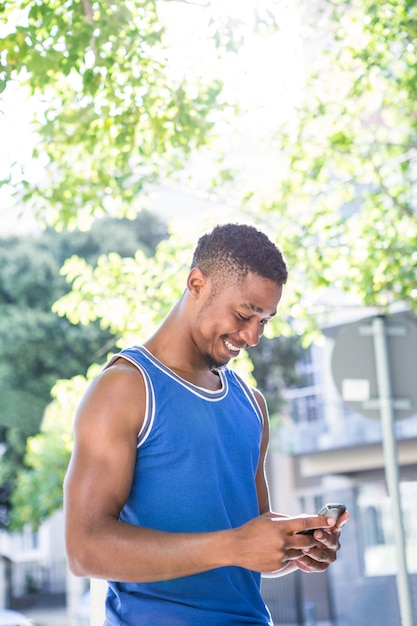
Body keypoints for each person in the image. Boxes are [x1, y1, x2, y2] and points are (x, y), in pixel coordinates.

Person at [64, 223, 349, 626]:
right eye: (244, 314)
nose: (252, 336)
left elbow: (248, 551)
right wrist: (232, 546)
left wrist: (295, 550)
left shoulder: (252, 405)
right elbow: (84, 549)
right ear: (196, 282)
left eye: (264, 321)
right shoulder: (124, 390)